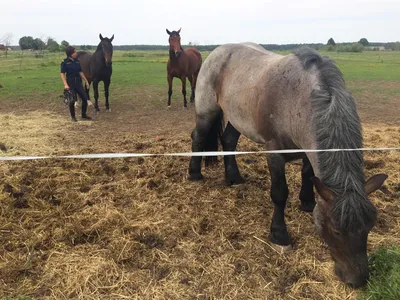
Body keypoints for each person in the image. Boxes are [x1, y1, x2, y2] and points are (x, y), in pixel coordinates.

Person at [60, 46, 91, 121]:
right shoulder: (65, 62)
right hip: (70, 83)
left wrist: (86, 81)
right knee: (72, 100)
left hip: (78, 82)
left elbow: (80, 72)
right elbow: (62, 74)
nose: (76, 53)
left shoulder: (77, 61)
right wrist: (65, 84)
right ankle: (73, 117)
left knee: (84, 99)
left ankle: (83, 115)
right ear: (70, 53)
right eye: (74, 52)